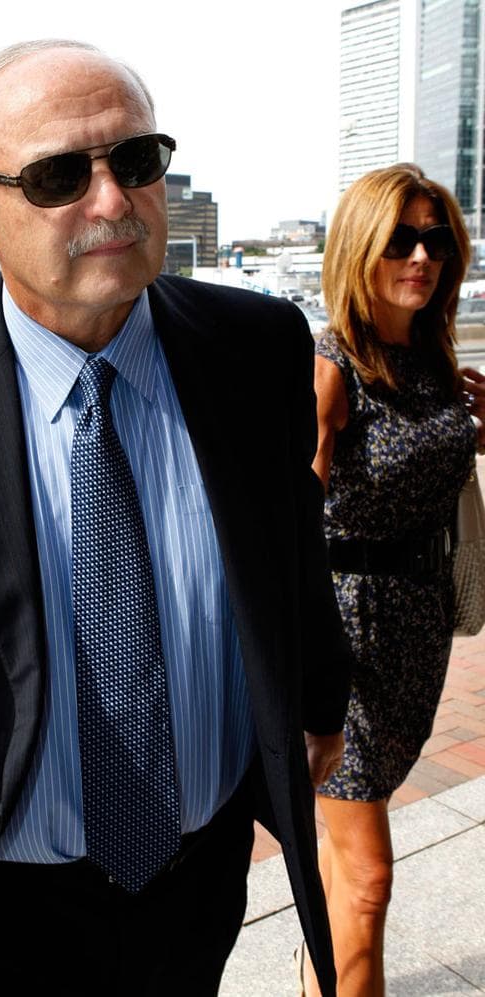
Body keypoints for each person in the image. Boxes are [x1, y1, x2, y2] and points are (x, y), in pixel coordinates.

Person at [0, 39, 352, 997]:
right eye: (57, 176)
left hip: (197, 874)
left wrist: (319, 693)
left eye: (135, 161)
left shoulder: (255, 345)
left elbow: (293, 541)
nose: (113, 201)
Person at [301, 163, 482, 996]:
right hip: (343, 640)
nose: (422, 256)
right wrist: (299, 677)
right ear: (358, 246)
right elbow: (285, 524)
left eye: (436, 239)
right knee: (369, 877)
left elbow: (428, 466)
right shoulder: (332, 367)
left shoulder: (436, 360)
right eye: (401, 238)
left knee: (344, 874)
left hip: (414, 629)